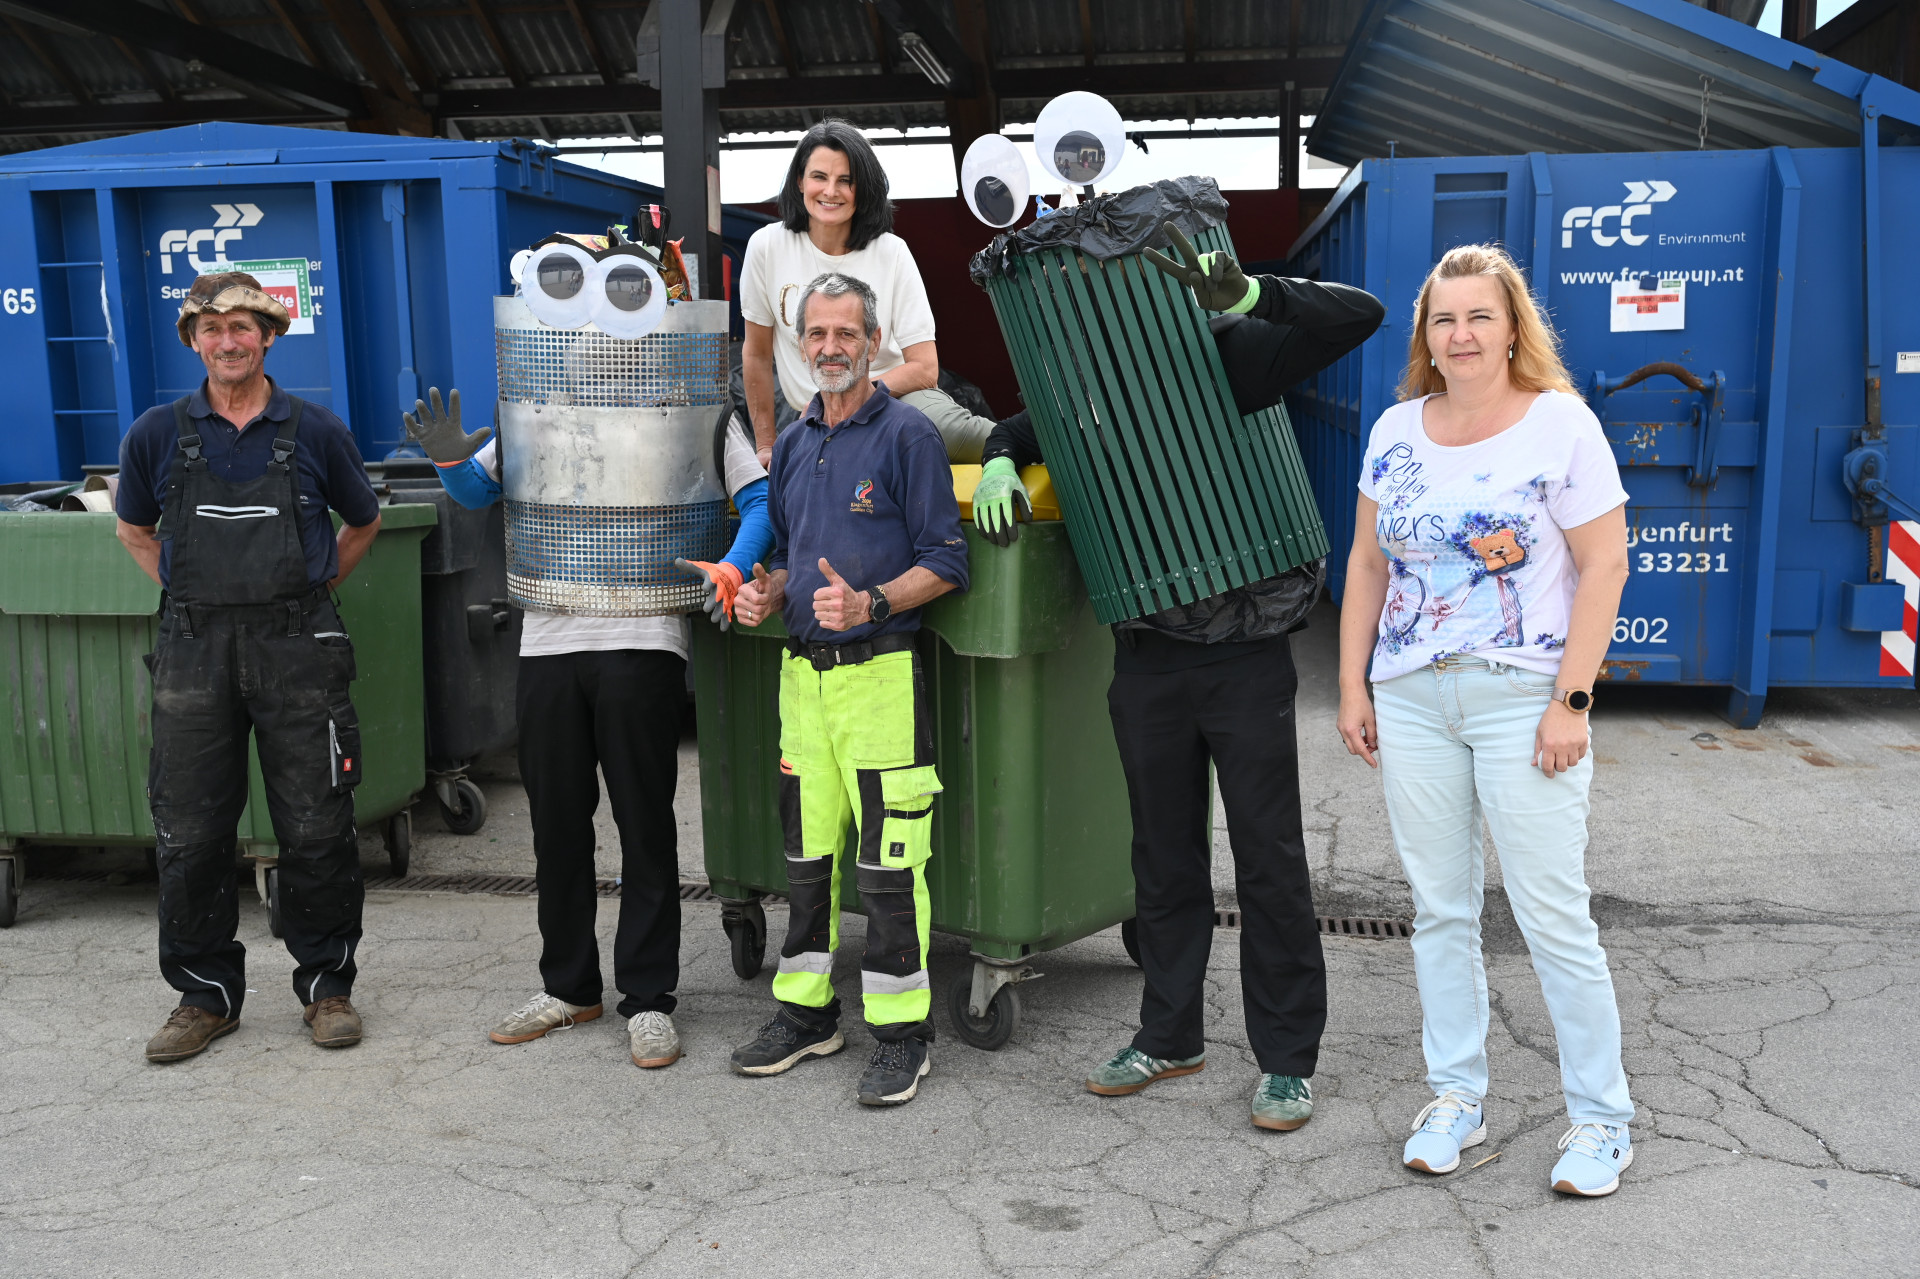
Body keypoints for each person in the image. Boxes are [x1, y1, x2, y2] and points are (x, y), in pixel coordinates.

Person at [975, 226, 1386, 1133]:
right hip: (1146, 657)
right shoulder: (1085, 389)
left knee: (1269, 859)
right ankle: (1168, 1035)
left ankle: (1287, 1060)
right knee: (1161, 858)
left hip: (1246, 654)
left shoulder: (1231, 353)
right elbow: (1021, 423)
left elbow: (1359, 315)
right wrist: (1002, 456)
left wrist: (1254, 295)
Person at [1335, 243, 1635, 1197]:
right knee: (1440, 909)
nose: (1461, 334)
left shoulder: (1561, 424)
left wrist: (1571, 700)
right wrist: (1354, 686)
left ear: (1513, 330)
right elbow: (1367, 565)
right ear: (1426, 336)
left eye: (1479, 317)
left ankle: (1602, 1119)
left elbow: (1605, 564)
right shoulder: (1396, 429)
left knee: (1552, 914)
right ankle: (1456, 1097)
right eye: (1444, 319)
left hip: (1523, 697)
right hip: (1413, 695)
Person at [404, 383, 773, 1071]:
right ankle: (569, 988)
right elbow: (479, 493)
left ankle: (649, 998)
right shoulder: (541, 403)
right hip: (549, 641)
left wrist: (731, 566)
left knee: (644, 823)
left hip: (644, 637)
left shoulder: (691, 404)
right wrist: (451, 460)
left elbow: (760, 501)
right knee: (557, 826)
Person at [116, 272, 383, 1063]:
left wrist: (314, 587)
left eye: (242, 326)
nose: (227, 340)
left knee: (316, 823)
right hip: (194, 651)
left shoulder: (316, 430)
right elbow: (133, 529)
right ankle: (205, 996)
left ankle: (327, 986)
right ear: (194, 341)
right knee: (190, 831)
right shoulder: (156, 434)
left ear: (267, 337)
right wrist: (186, 595)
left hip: (297, 646)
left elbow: (363, 521)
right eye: (212, 328)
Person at [727, 271, 968, 1107]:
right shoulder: (795, 443)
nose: (830, 347)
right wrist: (766, 592)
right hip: (803, 683)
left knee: (888, 865)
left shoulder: (908, 435)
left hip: (880, 680)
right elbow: (789, 557)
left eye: (846, 333)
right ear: (801, 344)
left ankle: (903, 1036)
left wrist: (871, 602)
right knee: (805, 859)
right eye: (817, 334)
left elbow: (948, 562)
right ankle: (807, 1014)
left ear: (873, 342)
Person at [739, 118, 1008, 466]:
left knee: (965, 435)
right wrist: (765, 445)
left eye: (845, 180)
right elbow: (757, 355)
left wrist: (855, 396)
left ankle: (1052, 447)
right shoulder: (766, 247)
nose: (830, 191)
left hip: (894, 400)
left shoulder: (892, 252)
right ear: (800, 181)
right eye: (819, 176)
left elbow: (925, 367)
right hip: (813, 417)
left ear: (863, 188)